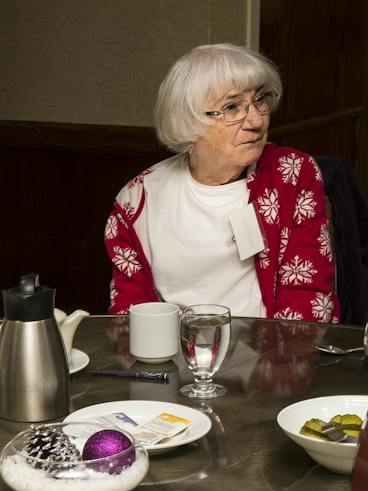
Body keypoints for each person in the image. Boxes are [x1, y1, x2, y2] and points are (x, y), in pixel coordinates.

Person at [106, 43, 338, 322]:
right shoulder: (137, 200)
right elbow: (129, 313)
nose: (255, 120)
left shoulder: (292, 175)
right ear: (188, 122)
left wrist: (265, 363)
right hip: (173, 356)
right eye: (231, 107)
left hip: (269, 355)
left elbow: (308, 299)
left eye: (260, 99)